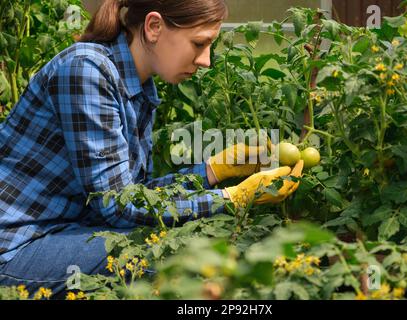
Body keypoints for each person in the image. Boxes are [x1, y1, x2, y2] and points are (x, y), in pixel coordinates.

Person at [0, 0, 302, 298]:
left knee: (183, 246)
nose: (206, 60)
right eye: (199, 43)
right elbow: (119, 208)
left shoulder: (138, 88)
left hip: (63, 234)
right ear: (154, 26)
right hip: (16, 247)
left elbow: (134, 195)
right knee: (177, 257)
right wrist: (232, 198)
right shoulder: (86, 71)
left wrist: (212, 171)